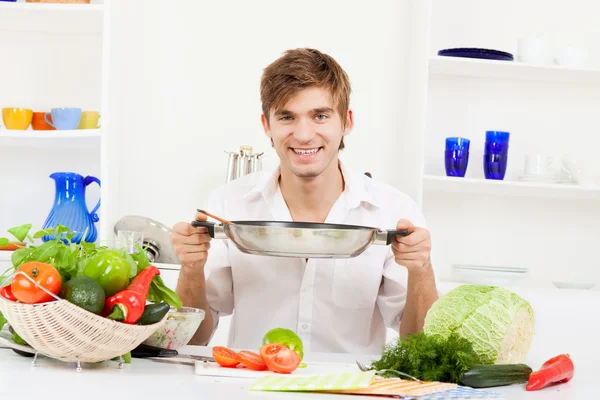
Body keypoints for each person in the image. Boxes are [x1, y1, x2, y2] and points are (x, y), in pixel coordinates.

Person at [172, 48, 438, 355]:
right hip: (251, 387)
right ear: (267, 125)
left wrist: (422, 269)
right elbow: (192, 341)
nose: (303, 134)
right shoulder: (227, 205)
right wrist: (191, 268)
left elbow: (420, 346)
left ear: (346, 122)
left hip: (351, 391)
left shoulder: (394, 210)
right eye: (287, 117)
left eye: (320, 116)